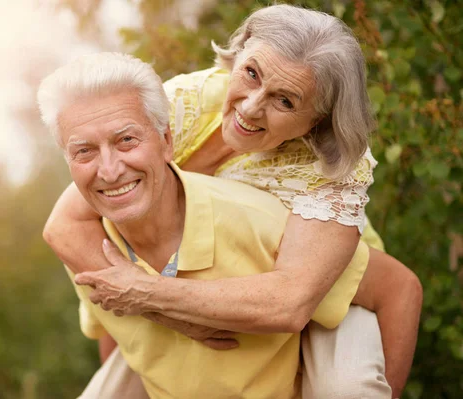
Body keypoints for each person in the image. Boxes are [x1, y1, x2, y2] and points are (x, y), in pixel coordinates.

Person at [41, 5, 422, 398]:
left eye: (285, 101)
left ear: (316, 121)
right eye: (251, 73)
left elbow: (291, 302)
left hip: (325, 284)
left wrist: (150, 295)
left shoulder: (334, 168)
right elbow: (67, 225)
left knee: (346, 388)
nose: (251, 107)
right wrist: (162, 314)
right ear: (238, 53)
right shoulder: (182, 103)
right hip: (199, 278)